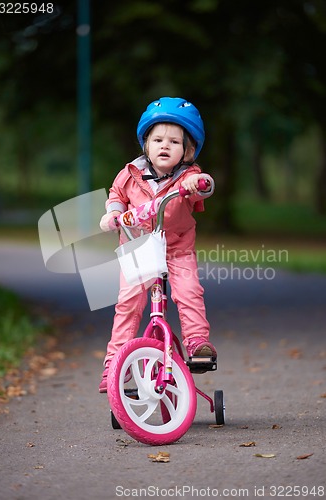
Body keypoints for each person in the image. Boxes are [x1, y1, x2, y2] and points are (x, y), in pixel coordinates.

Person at [99, 96, 216, 393]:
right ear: (146, 145)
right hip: (138, 248)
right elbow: (116, 195)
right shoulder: (130, 173)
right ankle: (116, 364)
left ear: (187, 150)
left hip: (176, 248)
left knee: (188, 292)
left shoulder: (188, 176)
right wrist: (113, 212)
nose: (165, 146)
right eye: (158, 139)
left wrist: (198, 183)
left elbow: (205, 186)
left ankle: (197, 343)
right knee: (128, 303)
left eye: (174, 142)